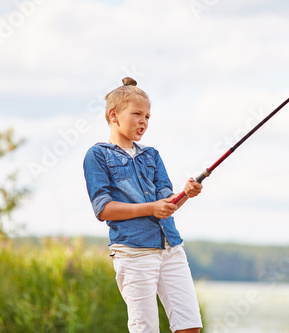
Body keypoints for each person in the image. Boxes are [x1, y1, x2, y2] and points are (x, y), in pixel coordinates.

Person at [83, 77, 203, 333]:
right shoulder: (98, 155)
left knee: (190, 326)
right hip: (134, 253)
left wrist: (186, 193)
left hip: (171, 247)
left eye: (148, 116)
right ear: (113, 115)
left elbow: (167, 203)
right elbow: (103, 209)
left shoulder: (152, 155)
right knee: (145, 329)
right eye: (137, 113)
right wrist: (150, 208)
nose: (144, 121)